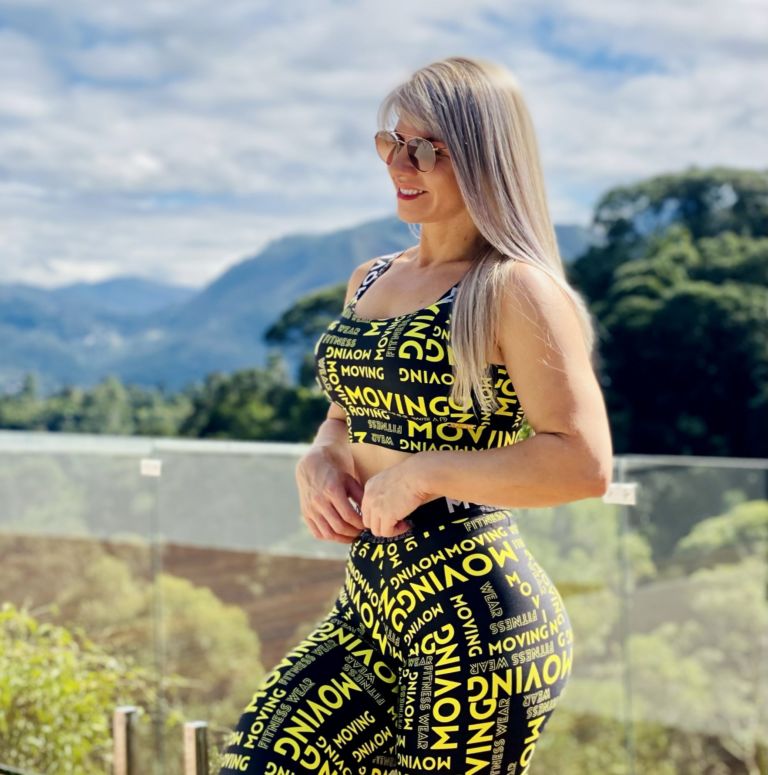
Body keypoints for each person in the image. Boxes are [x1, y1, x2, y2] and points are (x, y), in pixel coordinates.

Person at [218, 56, 613, 775]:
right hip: (368, 606)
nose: (399, 164)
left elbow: (583, 463)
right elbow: (345, 413)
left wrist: (424, 473)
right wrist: (322, 452)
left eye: (426, 150)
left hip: (478, 625)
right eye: (391, 143)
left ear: (486, 158)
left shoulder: (513, 289)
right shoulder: (370, 277)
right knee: (256, 761)